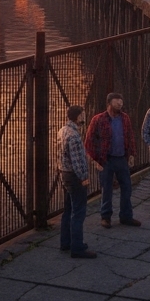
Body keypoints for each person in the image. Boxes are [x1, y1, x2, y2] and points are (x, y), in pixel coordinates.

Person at [85, 92, 141, 228]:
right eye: (117, 102)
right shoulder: (98, 119)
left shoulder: (125, 118)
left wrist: (132, 154)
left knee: (127, 187)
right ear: (109, 103)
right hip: (106, 160)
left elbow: (129, 136)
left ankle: (126, 216)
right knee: (107, 189)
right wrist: (94, 160)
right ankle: (106, 217)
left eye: (121, 102)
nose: (120, 105)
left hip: (122, 158)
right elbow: (89, 141)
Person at [55, 105, 96, 258]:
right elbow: (77, 160)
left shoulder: (62, 131)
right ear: (79, 117)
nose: (84, 117)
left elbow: (60, 155)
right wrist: (84, 177)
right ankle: (77, 247)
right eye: (83, 115)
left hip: (64, 174)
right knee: (78, 212)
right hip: (74, 176)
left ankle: (65, 242)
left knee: (68, 210)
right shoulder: (74, 136)